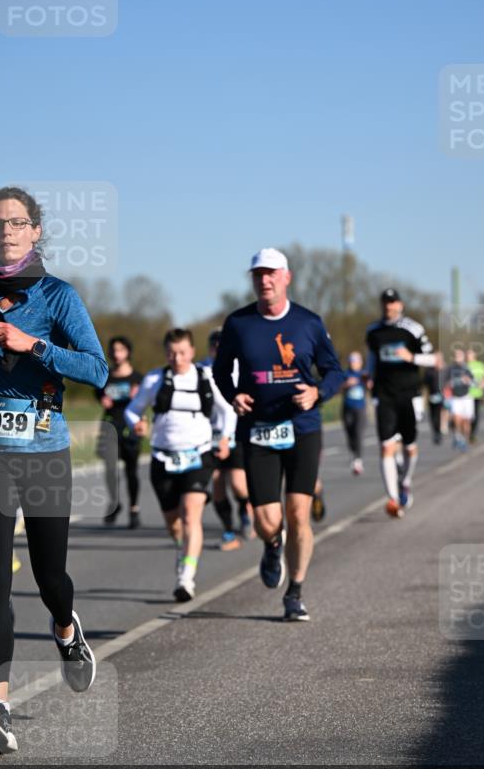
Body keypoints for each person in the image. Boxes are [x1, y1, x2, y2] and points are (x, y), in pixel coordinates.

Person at [0, 186, 107, 753]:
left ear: (36, 231)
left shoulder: (58, 296)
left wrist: (35, 346)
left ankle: (66, 629)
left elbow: (96, 369)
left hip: (45, 447)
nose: (8, 232)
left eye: (18, 223)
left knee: (51, 578)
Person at [213, 248, 344, 622]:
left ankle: (295, 593)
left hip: (302, 428)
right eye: (258, 275)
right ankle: (272, 544)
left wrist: (318, 392)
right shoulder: (238, 324)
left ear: (286, 277)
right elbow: (222, 372)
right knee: (266, 520)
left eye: (271, 274)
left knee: (297, 513)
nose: (265, 280)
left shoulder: (309, 323)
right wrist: (233, 395)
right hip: (257, 429)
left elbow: (334, 371)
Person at [125, 328, 230, 600]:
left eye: (182, 352)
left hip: (198, 454)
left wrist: (225, 438)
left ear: (192, 352)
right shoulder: (155, 379)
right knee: (175, 525)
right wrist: (135, 423)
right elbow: (132, 409)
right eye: (171, 353)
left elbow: (226, 410)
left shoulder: (206, 377)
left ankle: (186, 578)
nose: (177, 358)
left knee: (190, 514)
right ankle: (183, 551)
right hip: (163, 457)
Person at [365, 288, 439, 518]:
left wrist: (411, 357)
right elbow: (372, 360)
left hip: (410, 395)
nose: (389, 306)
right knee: (387, 446)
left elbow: (433, 358)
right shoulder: (373, 332)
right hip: (384, 394)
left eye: (393, 302)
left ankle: (405, 481)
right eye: (385, 302)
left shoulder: (413, 329)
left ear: (401, 304)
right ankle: (393, 499)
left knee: (409, 447)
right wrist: (368, 375)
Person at [205, 327, 253, 550]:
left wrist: (226, 437)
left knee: (238, 485)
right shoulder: (201, 370)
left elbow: (230, 409)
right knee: (216, 485)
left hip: (235, 434)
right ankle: (227, 530)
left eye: (221, 344)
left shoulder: (238, 368)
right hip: (209, 437)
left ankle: (246, 510)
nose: (217, 348)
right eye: (214, 344)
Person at [96, 336, 142, 528]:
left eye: (121, 350)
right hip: (110, 425)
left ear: (128, 352)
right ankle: (114, 504)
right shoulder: (105, 376)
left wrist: (137, 397)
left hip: (130, 428)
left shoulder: (137, 378)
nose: (117, 354)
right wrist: (102, 399)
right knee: (110, 471)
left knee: (131, 471)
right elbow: (98, 392)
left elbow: (145, 402)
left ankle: (134, 509)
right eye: (114, 350)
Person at [341, 350, 367, 474]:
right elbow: (337, 387)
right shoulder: (346, 374)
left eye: (356, 361)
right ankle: (353, 454)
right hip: (347, 407)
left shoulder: (364, 374)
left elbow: (370, 385)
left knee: (358, 433)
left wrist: (368, 383)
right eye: (352, 361)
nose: (354, 364)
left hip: (360, 408)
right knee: (349, 433)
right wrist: (346, 384)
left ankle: (358, 459)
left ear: (360, 363)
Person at [443, 347, 474, 452]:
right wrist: (451, 383)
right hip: (455, 397)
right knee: (457, 418)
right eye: (456, 355)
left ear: (463, 356)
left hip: (466, 397)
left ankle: (464, 439)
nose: (458, 357)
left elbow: (472, 381)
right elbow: (445, 383)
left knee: (466, 422)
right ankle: (458, 436)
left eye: (460, 355)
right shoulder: (450, 369)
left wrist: (468, 380)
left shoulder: (467, 368)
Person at [465, 347, 484, 443]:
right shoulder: (465, 365)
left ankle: (472, 434)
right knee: (468, 415)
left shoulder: (480, 365)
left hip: (477, 394)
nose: (468, 356)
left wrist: (483, 385)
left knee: (476, 415)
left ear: (474, 355)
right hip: (467, 395)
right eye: (467, 354)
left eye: (470, 354)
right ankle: (467, 434)